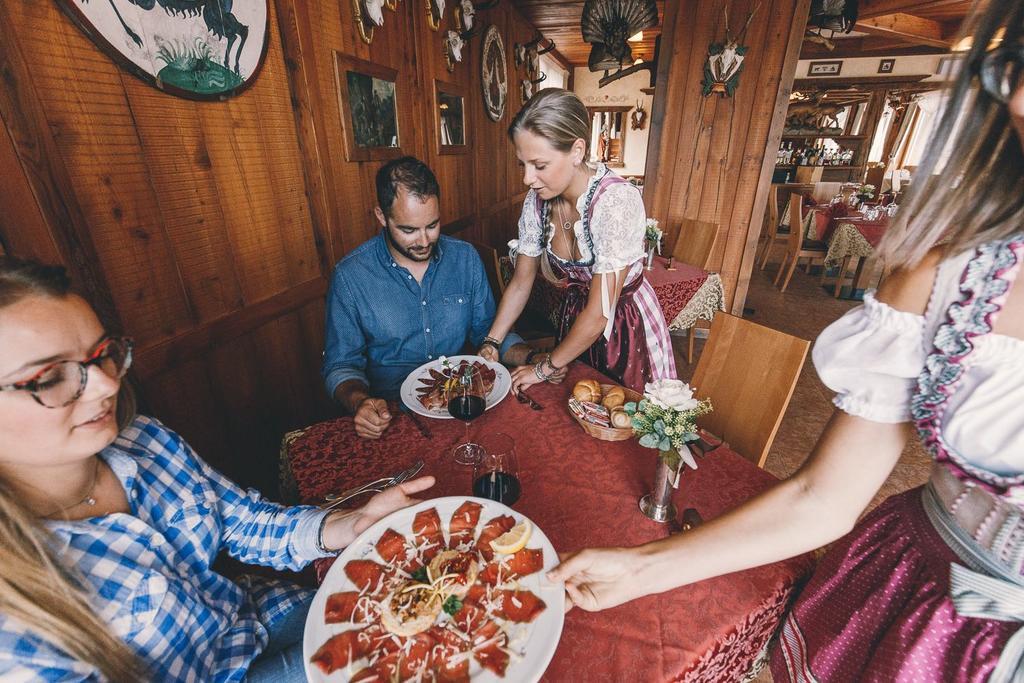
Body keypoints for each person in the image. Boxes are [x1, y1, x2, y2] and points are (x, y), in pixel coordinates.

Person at [547, 6, 1024, 680]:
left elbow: (606, 298)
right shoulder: (948, 276)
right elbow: (823, 496)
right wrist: (636, 568)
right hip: (928, 624)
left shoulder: (613, 201)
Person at [0, 258, 435, 681]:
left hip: (253, 617)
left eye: (102, 355)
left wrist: (346, 524)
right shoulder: (13, 630)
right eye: (50, 377)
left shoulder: (144, 440)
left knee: (430, 618)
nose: (108, 384)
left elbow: (241, 521)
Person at [322, 156, 536, 439]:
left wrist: (533, 357)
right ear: (381, 217)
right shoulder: (351, 277)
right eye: (409, 230)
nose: (424, 241)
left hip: (462, 404)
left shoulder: (464, 258)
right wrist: (360, 402)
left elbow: (489, 332)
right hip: (393, 416)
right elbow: (341, 365)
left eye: (432, 225)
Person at [479, 88, 676, 393]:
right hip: (575, 325)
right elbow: (521, 282)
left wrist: (543, 368)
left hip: (625, 329)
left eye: (539, 165)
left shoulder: (615, 202)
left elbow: (599, 314)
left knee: (624, 421)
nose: (527, 178)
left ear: (577, 150)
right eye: (523, 164)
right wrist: (492, 341)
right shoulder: (536, 202)